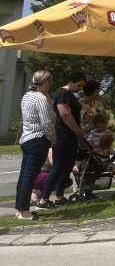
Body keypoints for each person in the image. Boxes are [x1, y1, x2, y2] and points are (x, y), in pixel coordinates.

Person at [38, 71, 87, 209]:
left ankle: (60, 197)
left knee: (67, 166)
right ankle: (44, 200)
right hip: (63, 134)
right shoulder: (62, 94)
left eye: (82, 86)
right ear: (70, 82)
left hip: (71, 136)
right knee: (58, 166)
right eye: (79, 85)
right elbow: (65, 114)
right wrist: (77, 130)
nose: (80, 88)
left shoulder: (71, 95)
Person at [15, 70, 56, 220]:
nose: (51, 84)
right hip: (39, 139)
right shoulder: (40, 98)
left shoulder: (28, 96)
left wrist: (49, 99)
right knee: (30, 177)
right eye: (50, 81)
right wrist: (53, 137)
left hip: (26, 139)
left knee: (24, 176)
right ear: (46, 82)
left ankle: (19, 209)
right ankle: (25, 212)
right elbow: (46, 121)